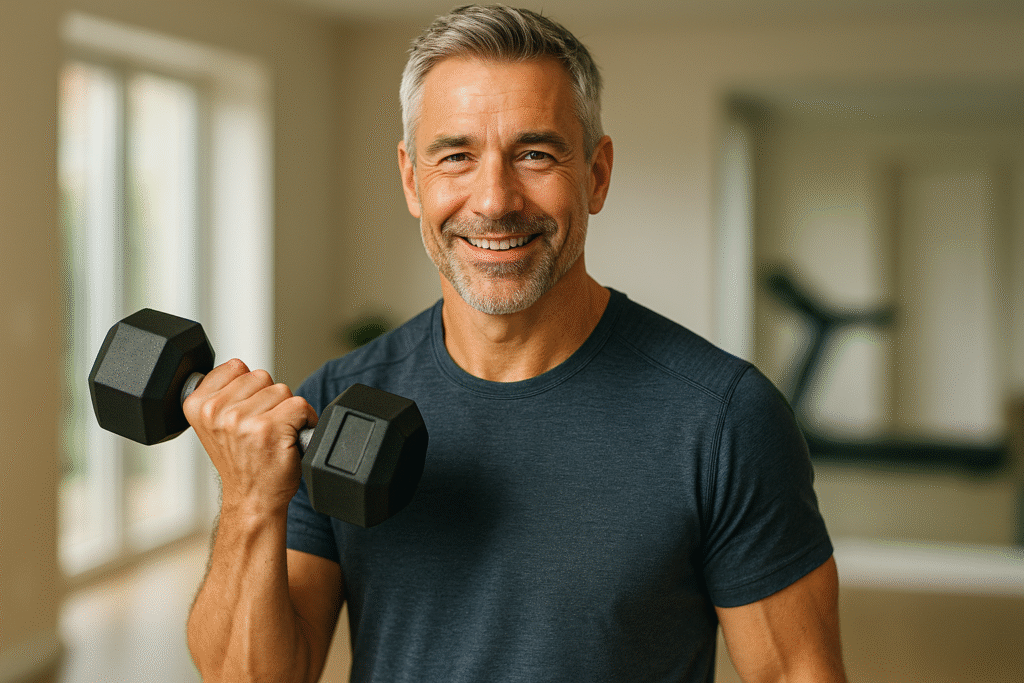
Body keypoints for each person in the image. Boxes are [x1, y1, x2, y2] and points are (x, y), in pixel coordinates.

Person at [185, 5, 847, 682]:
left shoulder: (723, 419)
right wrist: (247, 499)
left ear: (596, 173)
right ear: (413, 179)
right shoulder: (336, 400)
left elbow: (798, 671)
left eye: (534, 154)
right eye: (457, 156)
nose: (495, 200)